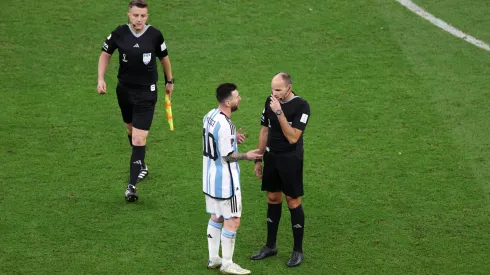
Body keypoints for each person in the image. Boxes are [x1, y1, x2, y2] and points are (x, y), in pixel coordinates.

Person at [96, 0, 174, 202]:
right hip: (124, 91)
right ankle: (141, 165)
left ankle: (131, 186)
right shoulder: (119, 33)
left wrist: (169, 80)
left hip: (147, 93)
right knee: (131, 131)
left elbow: (164, 58)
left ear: (147, 16)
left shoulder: (155, 35)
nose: (139, 19)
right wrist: (101, 79)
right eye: (135, 15)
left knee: (139, 138)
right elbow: (105, 54)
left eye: (143, 16)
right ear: (128, 15)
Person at [250, 72, 311, 267]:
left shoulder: (302, 106)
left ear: (289, 88)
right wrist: (258, 159)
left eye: (278, 90)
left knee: (292, 201)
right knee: (273, 198)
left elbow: (293, 137)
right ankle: (270, 246)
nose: (273, 93)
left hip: (290, 159)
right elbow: (264, 130)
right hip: (272, 157)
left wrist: (279, 112)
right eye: (272, 89)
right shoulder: (269, 101)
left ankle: (297, 250)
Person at [203, 83, 262, 275]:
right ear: (228, 102)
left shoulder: (209, 116)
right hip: (226, 183)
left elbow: (214, 140)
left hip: (210, 179)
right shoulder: (226, 125)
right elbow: (227, 156)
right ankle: (227, 264)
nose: (240, 99)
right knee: (233, 220)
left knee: (216, 216)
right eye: (237, 97)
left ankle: (213, 259)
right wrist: (247, 155)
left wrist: (232, 138)